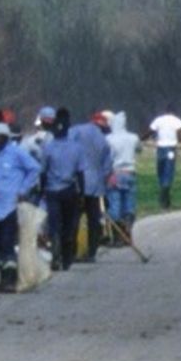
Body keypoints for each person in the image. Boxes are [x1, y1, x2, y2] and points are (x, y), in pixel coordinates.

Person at [0, 123, 43, 293]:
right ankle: (1, 277)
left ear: (5, 138)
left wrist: (23, 189)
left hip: (10, 206)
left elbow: (35, 168)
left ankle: (10, 279)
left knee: (8, 243)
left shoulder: (16, 153)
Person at [40, 109, 86, 271]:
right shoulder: (77, 148)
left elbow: (43, 172)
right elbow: (80, 173)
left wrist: (41, 190)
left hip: (52, 191)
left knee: (54, 225)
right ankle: (67, 257)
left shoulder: (48, 147)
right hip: (69, 190)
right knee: (68, 224)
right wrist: (82, 193)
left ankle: (56, 255)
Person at [69, 111, 113, 263]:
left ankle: (71, 252)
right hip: (95, 185)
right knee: (93, 220)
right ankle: (91, 252)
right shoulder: (104, 141)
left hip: (76, 183)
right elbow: (107, 168)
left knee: (73, 219)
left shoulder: (76, 130)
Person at [104, 112, 143, 244]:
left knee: (115, 204)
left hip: (115, 173)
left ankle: (118, 236)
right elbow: (139, 149)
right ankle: (127, 232)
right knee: (129, 205)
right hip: (130, 172)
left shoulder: (108, 139)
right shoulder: (133, 137)